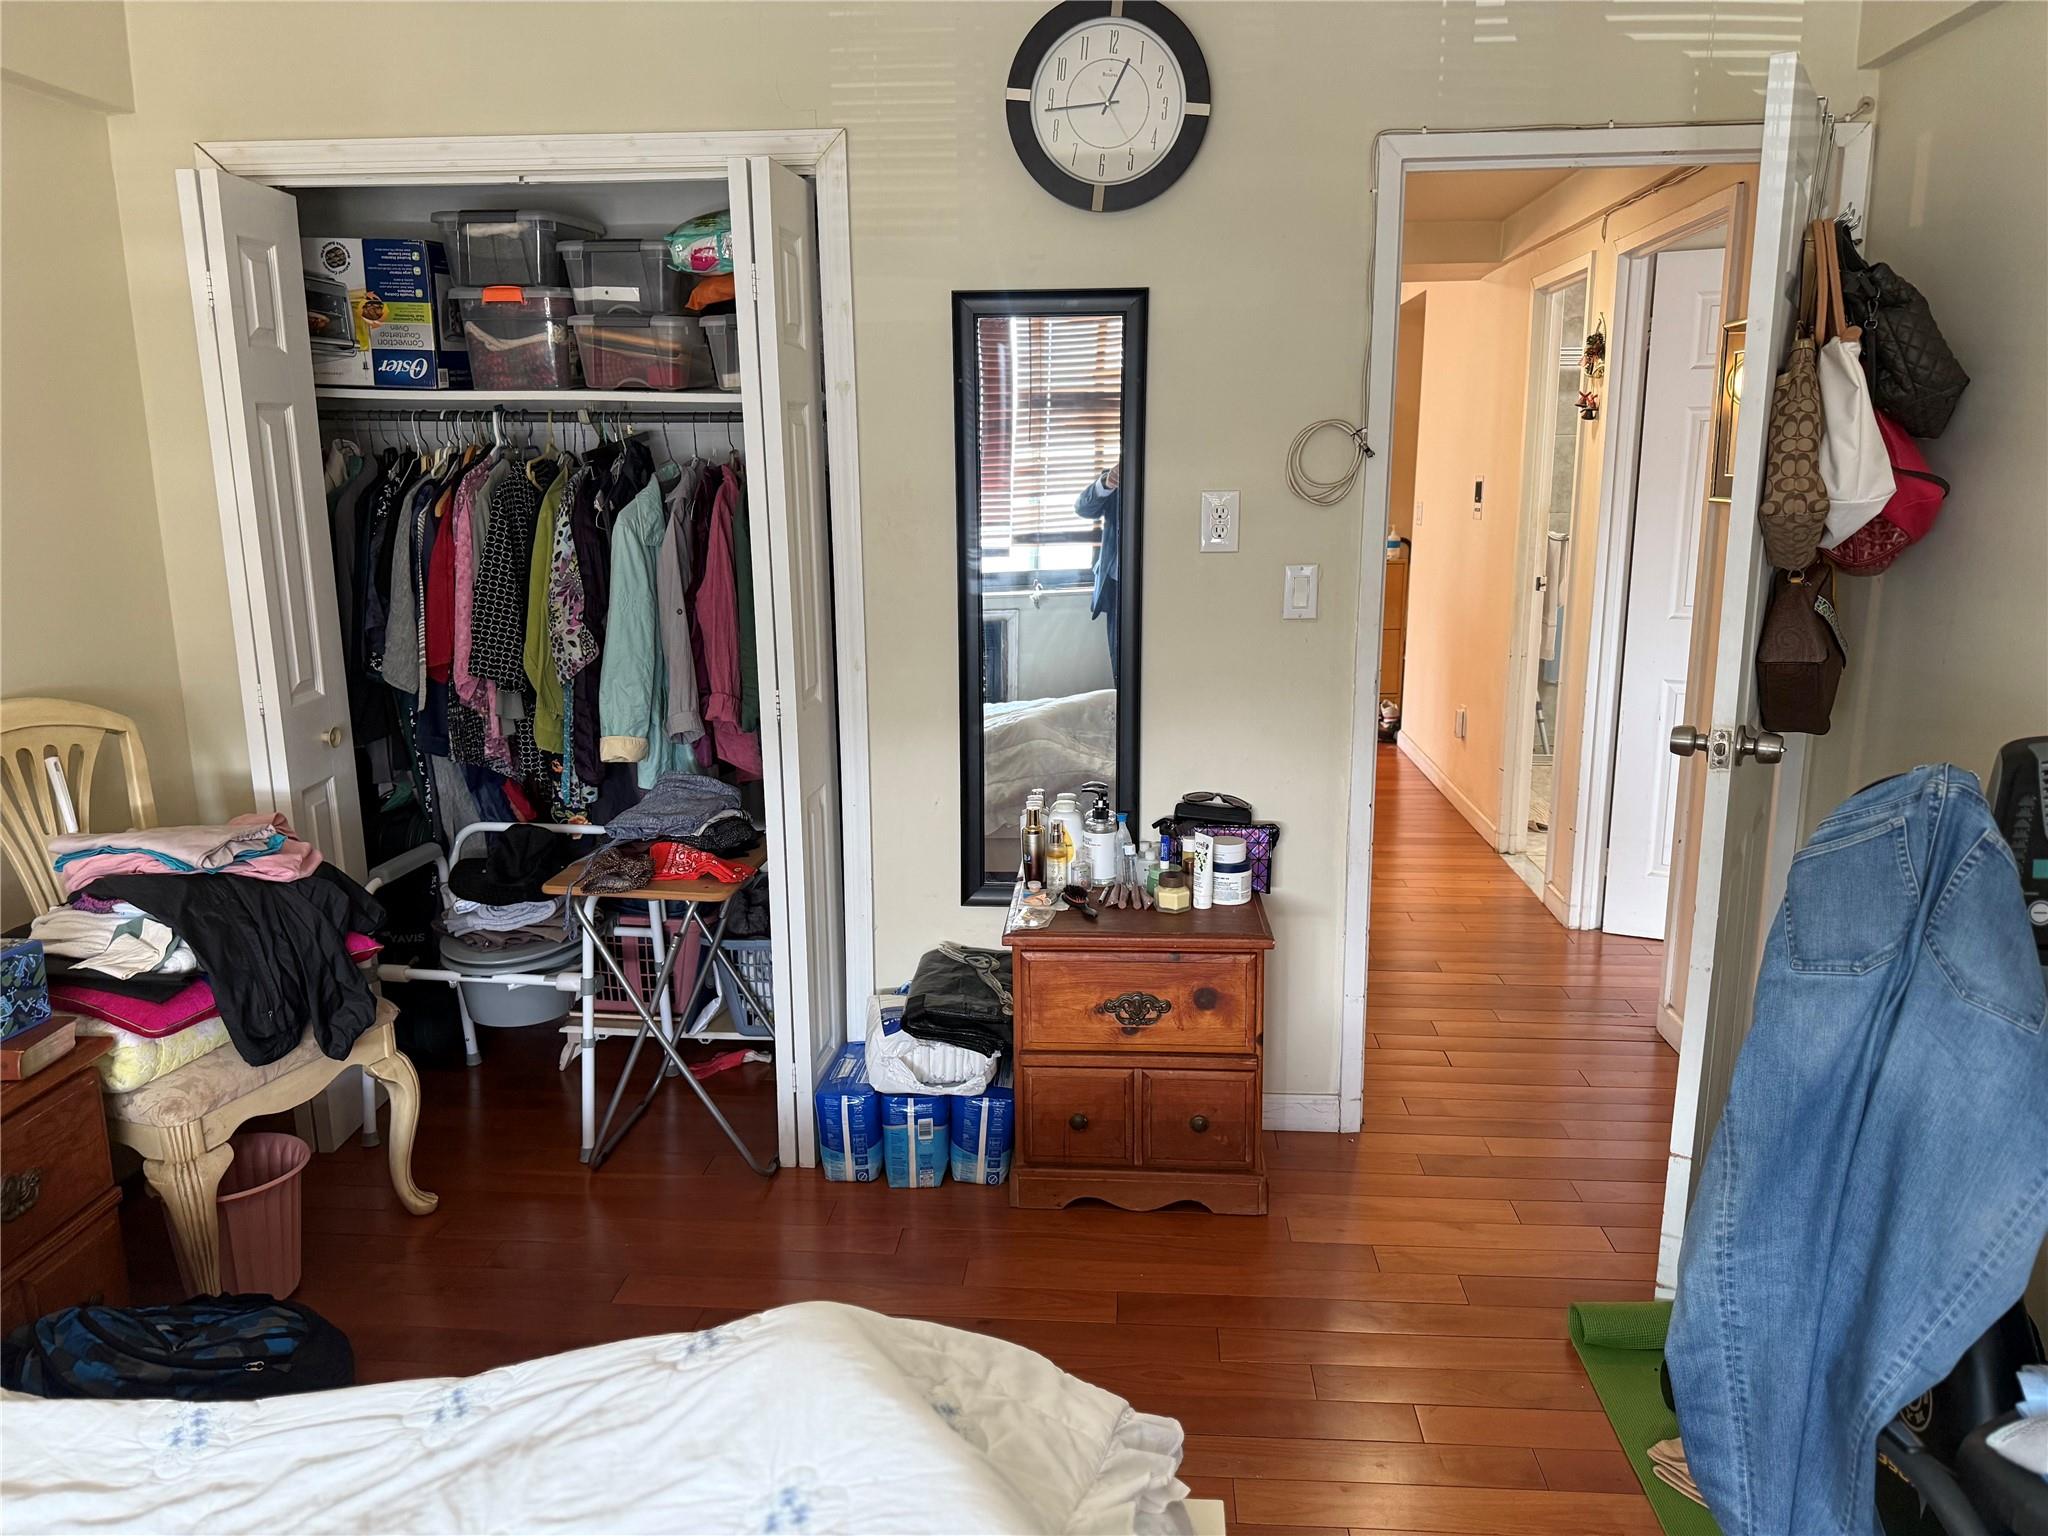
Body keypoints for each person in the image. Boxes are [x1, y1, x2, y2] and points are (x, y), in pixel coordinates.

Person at [1073, 461, 1121, 685]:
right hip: (1116, 585)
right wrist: (1108, 482)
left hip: (1161, 584)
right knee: (1122, 659)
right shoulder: (1116, 478)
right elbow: (1083, 507)